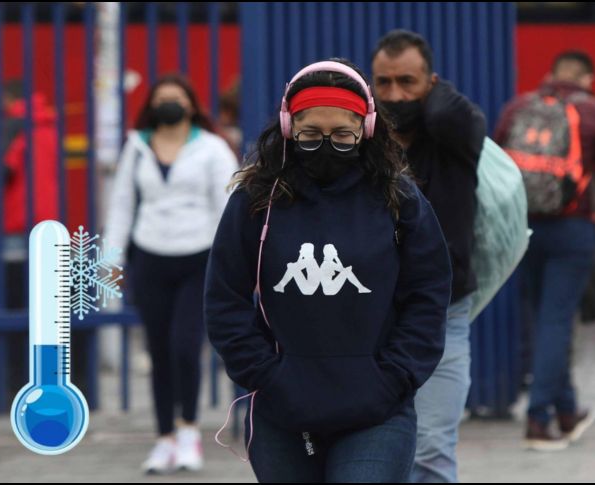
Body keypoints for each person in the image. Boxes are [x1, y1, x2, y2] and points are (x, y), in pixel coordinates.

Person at [204, 59, 452, 483]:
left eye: (342, 134)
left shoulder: (399, 200)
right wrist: (268, 375)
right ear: (288, 128)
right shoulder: (255, 202)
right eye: (310, 134)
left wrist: (393, 376)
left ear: (366, 129)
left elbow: (428, 295)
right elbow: (224, 299)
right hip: (284, 411)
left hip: (377, 409)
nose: (326, 145)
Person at [494, 50, 595, 451]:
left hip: (524, 226)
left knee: (542, 317)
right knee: (556, 320)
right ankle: (539, 420)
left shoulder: (519, 105)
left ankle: (567, 410)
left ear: (551, 74)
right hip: (572, 230)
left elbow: (497, 158)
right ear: (588, 77)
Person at [104, 73, 238, 473]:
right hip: (150, 257)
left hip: (198, 258)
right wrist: (110, 258)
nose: (169, 104)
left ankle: (188, 431)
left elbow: (227, 206)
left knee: (184, 346)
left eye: (176, 98)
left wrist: (231, 262)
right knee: (159, 351)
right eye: (161, 98)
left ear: (192, 104)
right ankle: (163, 438)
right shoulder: (136, 146)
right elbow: (122, 204)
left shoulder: (212, 148)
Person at [371, 30, 486, 482]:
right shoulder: (361, 145)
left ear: (432, 83)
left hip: (442, 313)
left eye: (408, 82)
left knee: (433, 451)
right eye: (383, 83)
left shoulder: (451, 137)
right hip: (372, 316)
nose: (395, 95)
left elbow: (453, 115)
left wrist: (432, 94)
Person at [0, 80, 59, 256]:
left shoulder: (14, 126)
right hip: (46, 217)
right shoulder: (48, 127)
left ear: (8, 98)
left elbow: (4, 170)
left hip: (15, 217)